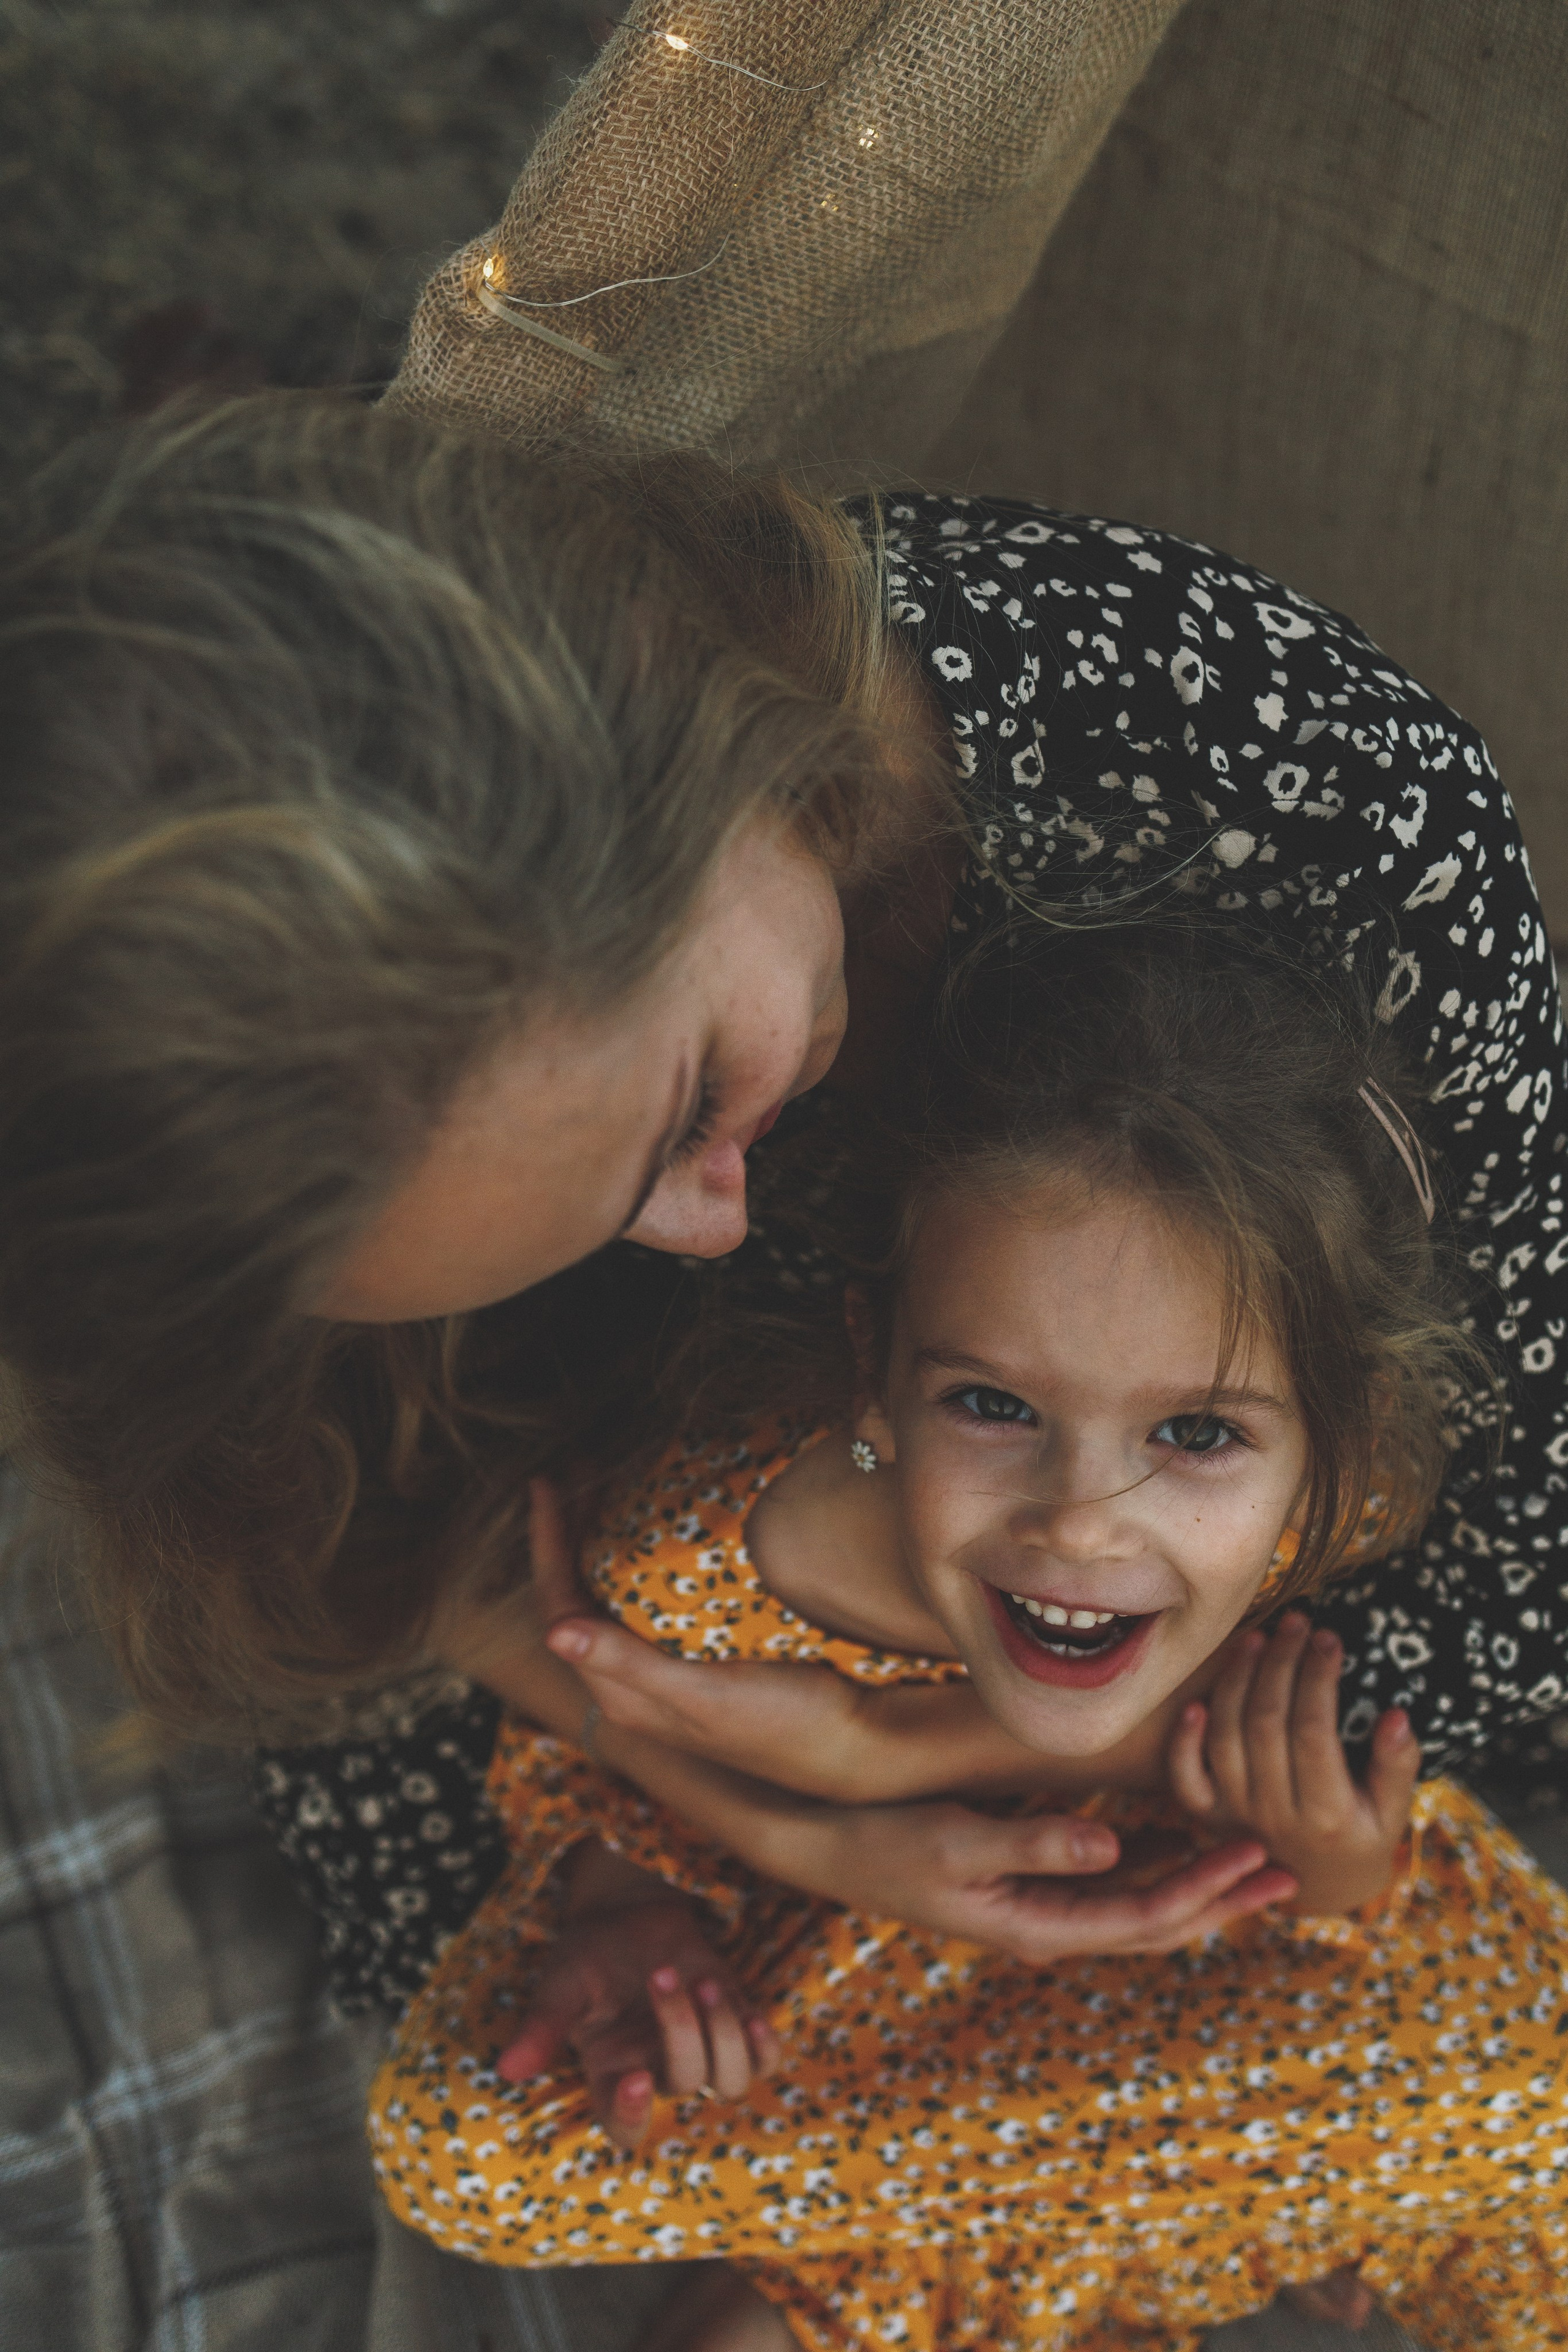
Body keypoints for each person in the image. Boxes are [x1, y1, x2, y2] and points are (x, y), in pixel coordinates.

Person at [2, 391, 1564, 2017]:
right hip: (608, 1654)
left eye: (690, 1106)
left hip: (1176, 1686)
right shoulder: (215, 1137)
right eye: (600, 1208)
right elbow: (335, 1540)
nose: (716, 1229)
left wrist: (897, 1751)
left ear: (701, 743)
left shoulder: (1320, 812)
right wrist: (753, 1813)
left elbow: (1514, 1574)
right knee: (466, 1984)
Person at [365, 922, 1568, 2352]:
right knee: (464, 2149)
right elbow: (600, 1759)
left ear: (1326, 1438)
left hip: (1221, 1979)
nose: (1078, 1525)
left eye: (1192, 1435)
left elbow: (1369, 1885)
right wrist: (627, 1908)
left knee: (1515, 2108)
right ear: (875, 1375)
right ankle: (1201, 2212)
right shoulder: (710, 1554)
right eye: (991, 1407)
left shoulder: (1339, 1509)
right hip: (887, 1998)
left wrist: (1337, 1868)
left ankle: (1020, 2257)